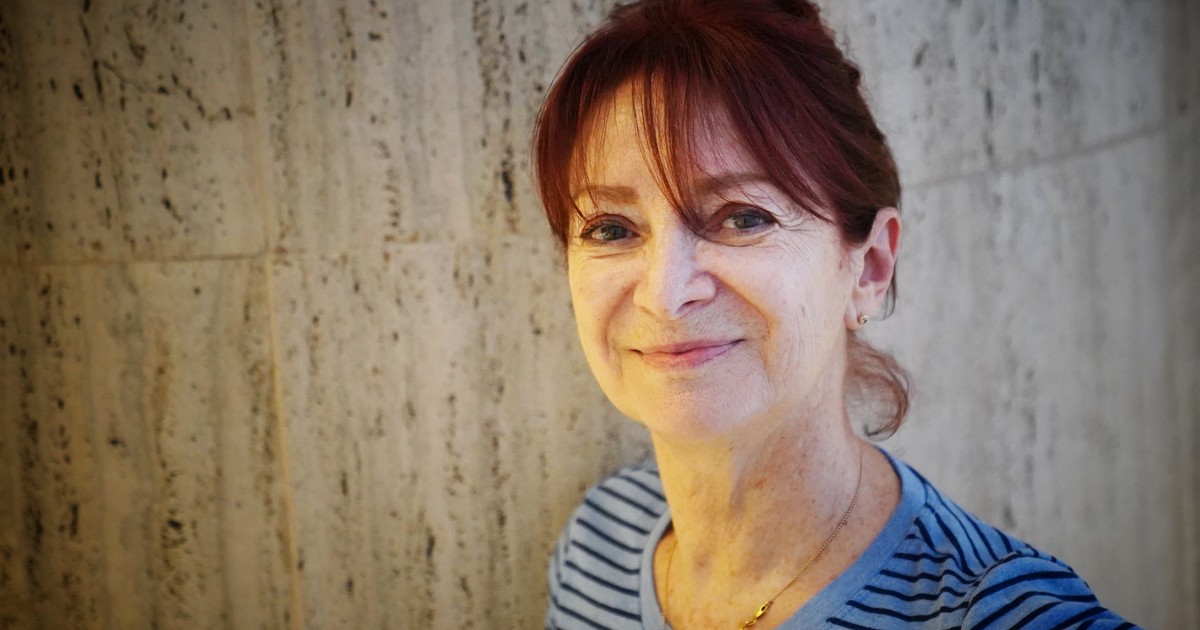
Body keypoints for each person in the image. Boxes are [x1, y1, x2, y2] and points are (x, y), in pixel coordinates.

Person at [532, 1, 1138, 628]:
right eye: (610, 228)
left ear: (869, 267)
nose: (664, 293)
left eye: (743, 218)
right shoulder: (598, 544)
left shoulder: (990, 611)